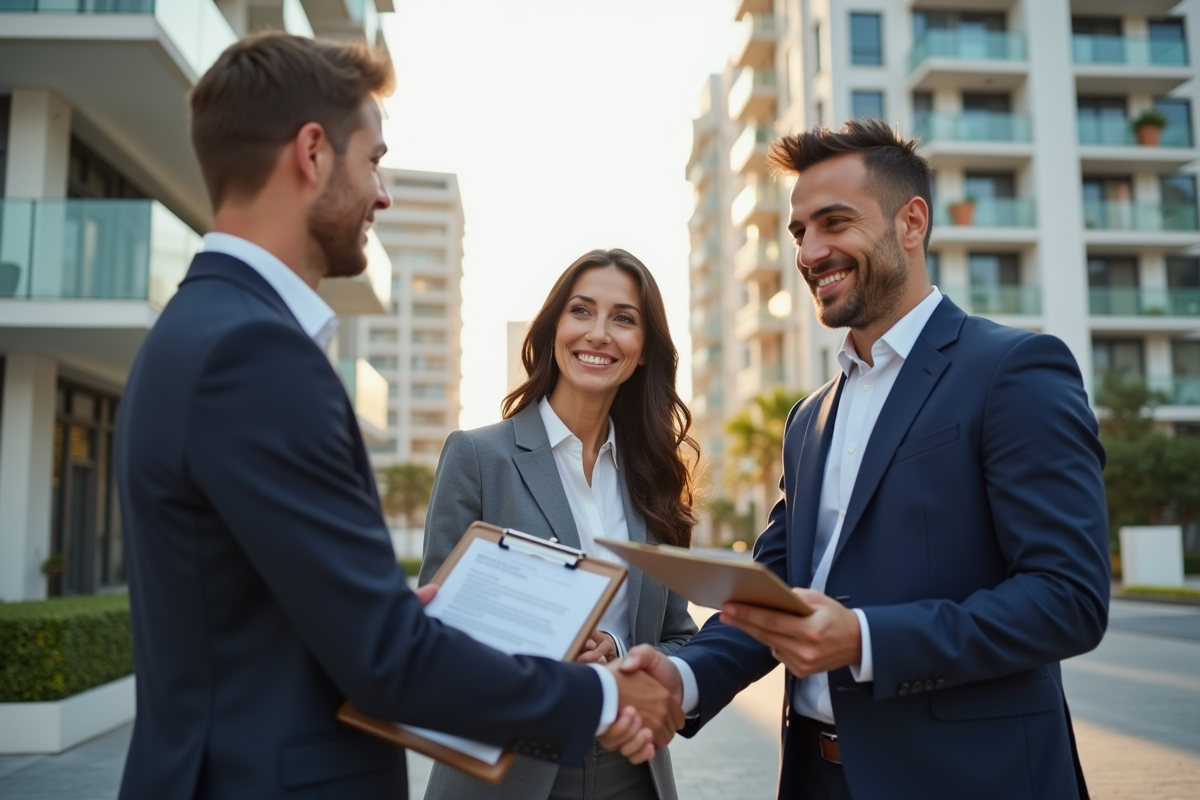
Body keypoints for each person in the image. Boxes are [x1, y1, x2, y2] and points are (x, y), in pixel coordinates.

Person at [113, 34, 682, 800]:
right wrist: (606, 696)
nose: (382, 194)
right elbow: (388, 661)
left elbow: (288, 615)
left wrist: (384, 610)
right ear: (312, 153)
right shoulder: (255, 353)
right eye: (373, 160)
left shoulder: (202, 327)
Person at [621, 119, 1111, 800]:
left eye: (834, 223)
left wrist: (867, 639)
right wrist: (684, 677)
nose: (811, 251)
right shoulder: (808, 417)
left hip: (971, 777)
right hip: (818, 777)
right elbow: (776, 589)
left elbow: (1069, 599)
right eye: (799, 233)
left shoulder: (1015, 370)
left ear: (912, 223)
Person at [419, 249, 700, 800]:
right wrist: (545, 641)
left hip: (630, 774)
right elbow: (436, 632)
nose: (599, 333)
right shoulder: (478, 457)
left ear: (643, 352)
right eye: (581, 311)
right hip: (505, 774)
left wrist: (619, 653)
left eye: (624, 318)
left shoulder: (655, 480)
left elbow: (677, 638)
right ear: (553, 330)